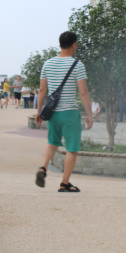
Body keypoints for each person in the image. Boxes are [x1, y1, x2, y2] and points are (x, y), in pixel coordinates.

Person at [35, 32, 93, 193]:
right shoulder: (77, 65)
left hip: (53, 113)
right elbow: (83, 92)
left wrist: (39, 111)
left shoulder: (47, 64)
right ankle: (65, 183)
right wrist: (89, 113)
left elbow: (42, 90)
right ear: (74, 44)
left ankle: (43, 168)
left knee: (52, 142)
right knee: (71, 149)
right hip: (69, 113)